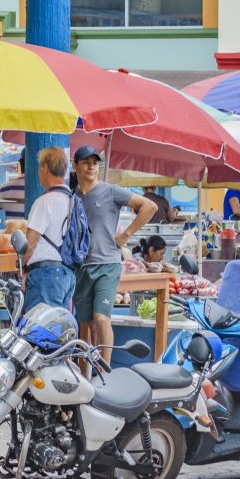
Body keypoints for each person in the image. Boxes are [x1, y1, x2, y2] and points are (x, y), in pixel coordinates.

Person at [74, 145, 156, 362]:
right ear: (76, 167)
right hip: (81, 267)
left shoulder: (110, 191)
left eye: (95, 163)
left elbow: (149, 206)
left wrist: (126, 235)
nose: (92, 167)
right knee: (86, 324)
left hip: (107, 264)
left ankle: (105, 370)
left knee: (101, 319)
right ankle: (85, 375)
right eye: (86, 162)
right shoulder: (73, 197)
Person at [23, 147, 77, 311]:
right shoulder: (73, 200)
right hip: (67, 275)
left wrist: (21, 266)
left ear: (45, 167)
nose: (39, 172)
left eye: (40, 167)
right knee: (59, 328)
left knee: (40, 328)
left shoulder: (45, 202)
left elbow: (30, 244)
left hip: (46, 276)